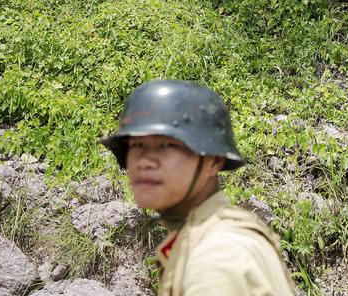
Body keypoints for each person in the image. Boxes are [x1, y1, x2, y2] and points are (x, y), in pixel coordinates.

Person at [101, 80, 295, 296]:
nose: (144, 161)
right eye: (137, 145)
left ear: (213, 161)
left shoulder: (216, 257)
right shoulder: (205, 238)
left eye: (166, 145)